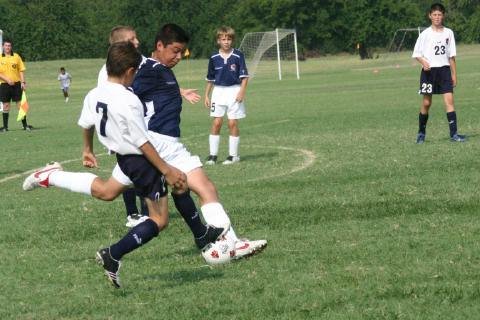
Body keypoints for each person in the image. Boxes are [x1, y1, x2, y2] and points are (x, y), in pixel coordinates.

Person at [23, 42, 226, 288]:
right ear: (130, 71)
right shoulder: (129, 101)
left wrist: (87, 149)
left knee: (111, 190)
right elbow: (143, 142)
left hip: (125, 158)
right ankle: (113, 254)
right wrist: (166, 169)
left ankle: (51, 176)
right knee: (160, 219)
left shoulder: (94, 93)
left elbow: (86, 123)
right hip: (140, 161)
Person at [132, 23, 266, 259]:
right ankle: (50, 177)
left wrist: (180, 91)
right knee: (106, 190)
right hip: (152, 146)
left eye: (181, 52)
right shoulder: (147, 70)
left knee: (206, 188)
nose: (178, 57)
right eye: (174, 51)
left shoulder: (159, 69)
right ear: (159, 46)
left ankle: (231, 244)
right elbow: (127, 97)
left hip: (170, 147)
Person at [98, 26, 148, 228]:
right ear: (119, 45)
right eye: (132, 39)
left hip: (137, 122)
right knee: (131, 168)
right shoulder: (107, 72)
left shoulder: (139, 61)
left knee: (138, 168)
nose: (137, 42)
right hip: (121, 128)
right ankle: (134, 213)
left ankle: (144, 211)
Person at [412, 3, 465, 144]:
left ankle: (454, 134)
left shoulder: (449, 33)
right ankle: (421, 133)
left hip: (445, 71)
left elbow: (451, 56)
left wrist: (454, 74)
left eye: (439, 14)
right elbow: (416, 54)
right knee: (427, 102)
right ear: (430, 16)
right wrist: (423, 62)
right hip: (429, 73)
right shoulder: (425, 34)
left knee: (449, 101)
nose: (437, 17)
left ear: (443, 16)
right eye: (434, 14)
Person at [204, 26, 249, 165]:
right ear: (218, 41)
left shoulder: (238, 55)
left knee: (232, 122)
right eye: (223, 39)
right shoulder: (213, 57)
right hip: (218, 92)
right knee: (217, 122)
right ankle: (212, 155)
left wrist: (241, 91)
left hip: (234, 91)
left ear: (232, 40)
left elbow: (245, 77)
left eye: (229, 39)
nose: (226, 42)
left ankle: (233, 156)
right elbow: (210, 78)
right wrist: (206, 95)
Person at [0, 39, 32, 131]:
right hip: (4, 85)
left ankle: (25, 125)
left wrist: (23, 82)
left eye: (9, 46)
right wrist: (7, 79)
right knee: (6, 105)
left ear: (11, 47)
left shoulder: (16, 56)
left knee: (20, 105)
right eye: (6, 45)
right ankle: (5, 127)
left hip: (17, 84)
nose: (7, 47)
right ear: (3, 46)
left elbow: (21, 70)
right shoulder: (0, 57)